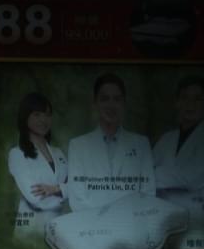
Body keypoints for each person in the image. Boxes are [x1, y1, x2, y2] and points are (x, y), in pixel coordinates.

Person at [64, 72, 155, 211]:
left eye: (117, 99)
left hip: (131, 227)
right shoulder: (78, 146)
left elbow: (148, 193)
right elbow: (77, 199)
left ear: (124, 103)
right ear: (95, 103)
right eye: (105, 99)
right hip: (92, 228)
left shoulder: (141, 144)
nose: (111, 105)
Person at [152, 75, 204, 214]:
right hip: (163, 220)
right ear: (177, 102)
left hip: (197, 223)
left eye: (197, 99)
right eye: (185, 98)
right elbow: (147, 175)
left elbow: (189, 178)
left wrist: (153, 176)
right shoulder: (166, 139)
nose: (190, 104)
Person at [5, 91, 67, 228]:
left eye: (47, 114)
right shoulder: (17, 154)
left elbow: (76, 186)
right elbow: (36, 199)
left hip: (60, 226)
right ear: (25, 117)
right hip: (33, 228)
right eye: (37, 114)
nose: (43, 120)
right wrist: (65, 193)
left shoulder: (59, 153)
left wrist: (55, 189)